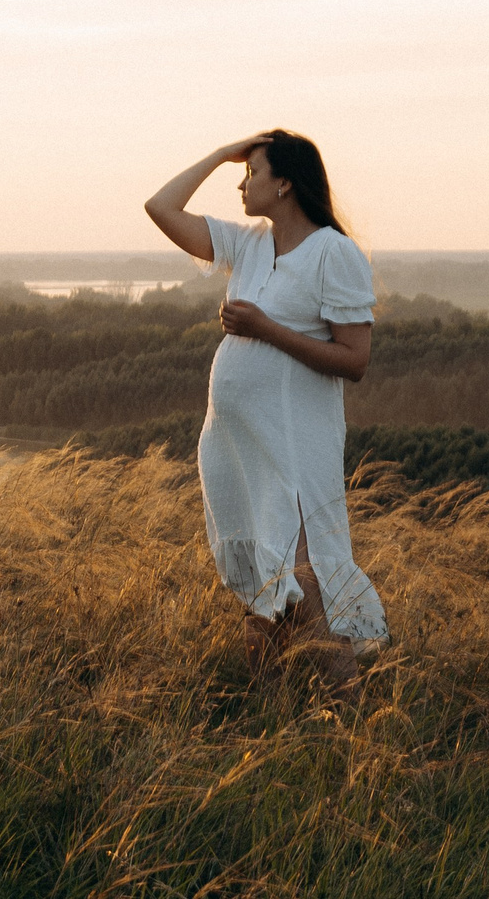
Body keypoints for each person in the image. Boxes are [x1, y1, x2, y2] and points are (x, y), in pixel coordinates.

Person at [144, 130, 387, 694]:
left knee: (305, 584)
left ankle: (354, 729)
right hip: (238, 448)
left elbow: (355, 360)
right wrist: (226, 150)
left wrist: (265, 330)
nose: (240, 182)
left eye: (251, 172)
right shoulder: (249, 244)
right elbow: (160, 207)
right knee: (264, 592)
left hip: (292, 448)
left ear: (284, 183)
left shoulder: (334, 252)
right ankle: (270, 725)